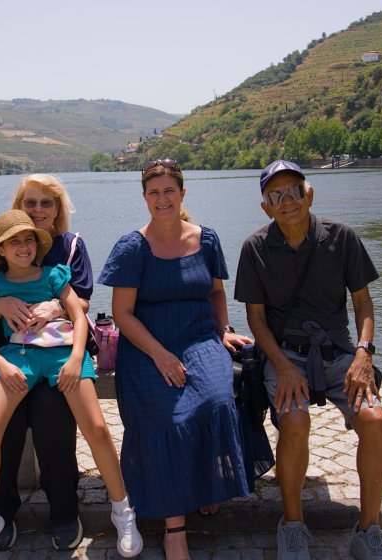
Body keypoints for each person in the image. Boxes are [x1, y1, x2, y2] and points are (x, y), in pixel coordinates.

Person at [235, 160, 382, 560]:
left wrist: (363, 353)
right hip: (285, 352)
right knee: (294, 421)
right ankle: (292, 524)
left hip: (339, 352)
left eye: (293, 191)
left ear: (309, 194)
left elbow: (363, 303)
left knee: (375, 421)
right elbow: (256, 319)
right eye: (276, 195)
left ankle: (369, 530)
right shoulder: (255, 248)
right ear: (266, 207)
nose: (287, 201)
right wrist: (282, 366)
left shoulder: (342, 237)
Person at [99, 159, 253, 560]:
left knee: (218, 398)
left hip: (199, 337)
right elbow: (122, 314)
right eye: (154, 192)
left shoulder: (206, 240)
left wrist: (223, 329)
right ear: (144, 197)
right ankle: (175, 529)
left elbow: (216, 292)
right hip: (147, 346)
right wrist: (160, 354)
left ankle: (206, 484)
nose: (162, 199)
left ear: (182, 193)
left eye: (169, 191)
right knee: (167, 416)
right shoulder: (132, 247)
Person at [0, 209, 142, 560]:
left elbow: (78, 316)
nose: (23, 247)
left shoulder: (54, 275)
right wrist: (2, 365)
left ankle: (122, 511)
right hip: (16, 358)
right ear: (0, 249)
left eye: (28, 240)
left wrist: (77, 358)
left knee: (97, 428)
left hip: (63, 355)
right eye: (14, 242)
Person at [0, 174, 93, 552]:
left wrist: (57, 305)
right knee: (6, 428)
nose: (38, 210)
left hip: (55, 352)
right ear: (18, 206)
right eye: (30, 202)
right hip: (2, 352)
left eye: (46, 203)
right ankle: (2, 512)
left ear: (57, 209)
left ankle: (64, 511)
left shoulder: (70, 247)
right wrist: (0, 304)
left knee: (53, 422)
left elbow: (82, 300)